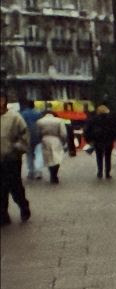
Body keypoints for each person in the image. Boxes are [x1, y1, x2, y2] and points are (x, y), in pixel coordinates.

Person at [1, 93, 32, 224]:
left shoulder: (14, 117)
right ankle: (3, 215)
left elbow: (25, 134)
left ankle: (24, 206)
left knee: (15, 186)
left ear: (4, 101)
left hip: (11, 158)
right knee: (1, 189)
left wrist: (17, 147)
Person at [36, 110, 70, 184]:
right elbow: (63, 133)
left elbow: (37, 133)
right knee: (57, 157)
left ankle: (52, 173)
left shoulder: (39, 121)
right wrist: (64, 141)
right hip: (56, 140)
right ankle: (55, 173)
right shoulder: (59, 121)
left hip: (45, 140)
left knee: (48, 158)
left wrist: (39, 140)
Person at [85, 105, 116, 179]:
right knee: (108, 157)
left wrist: (89, 139)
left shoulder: (93, 119)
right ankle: (107, 173)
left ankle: (100, 172)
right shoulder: (111, 119)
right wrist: (114, 138)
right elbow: (115, 129)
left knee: (99, 156)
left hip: (97, 140)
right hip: (108, 140)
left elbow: (88, 129)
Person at [18, 99, 43, 180]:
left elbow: (21, 126)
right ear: (34, 105)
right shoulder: (38, 113)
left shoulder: (23, 114)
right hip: (38, 136)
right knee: (38, 154)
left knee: (29, 155)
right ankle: (38, 171)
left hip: (27, 136)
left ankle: (31, 171)